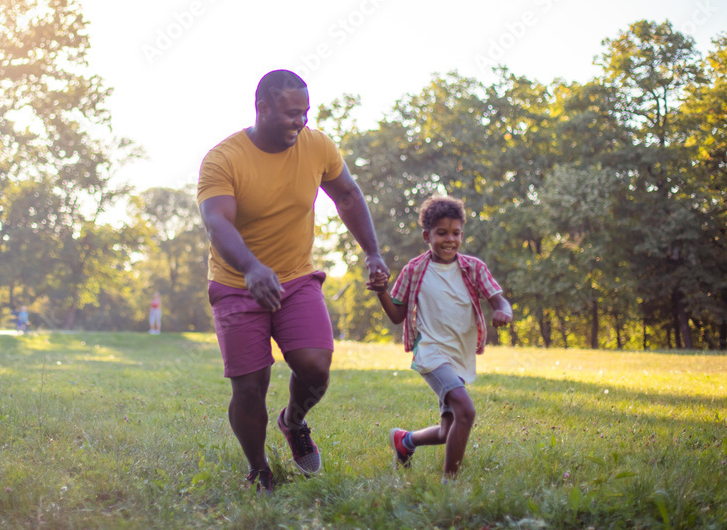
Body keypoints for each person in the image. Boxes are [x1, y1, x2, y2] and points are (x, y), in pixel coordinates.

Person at [197, 69, 389, 494]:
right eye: (289, 113)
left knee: (315, 366)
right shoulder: (223, 158)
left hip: (296, 278)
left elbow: (348, 196)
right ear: (262, 108)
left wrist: (372, 251)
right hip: (235, 282)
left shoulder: (317, 145)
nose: (299, 121)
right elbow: (217, 222)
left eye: (304, 112)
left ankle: (294, 422)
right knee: (249, 387)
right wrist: (250, 267)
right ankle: (259, 468)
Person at [370, 196, 513, 482]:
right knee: (466, 411)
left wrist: (503, 311)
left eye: (456, 233)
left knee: (449, 430)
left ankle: (404, 441)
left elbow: (500, 301)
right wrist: (381, 291)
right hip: (432, 353)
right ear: (427, 235)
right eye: (442, 233)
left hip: (459, 355)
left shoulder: (474, 268)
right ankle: (450, 484)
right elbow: (397, 315)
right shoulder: (414, 270)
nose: (450, 239)